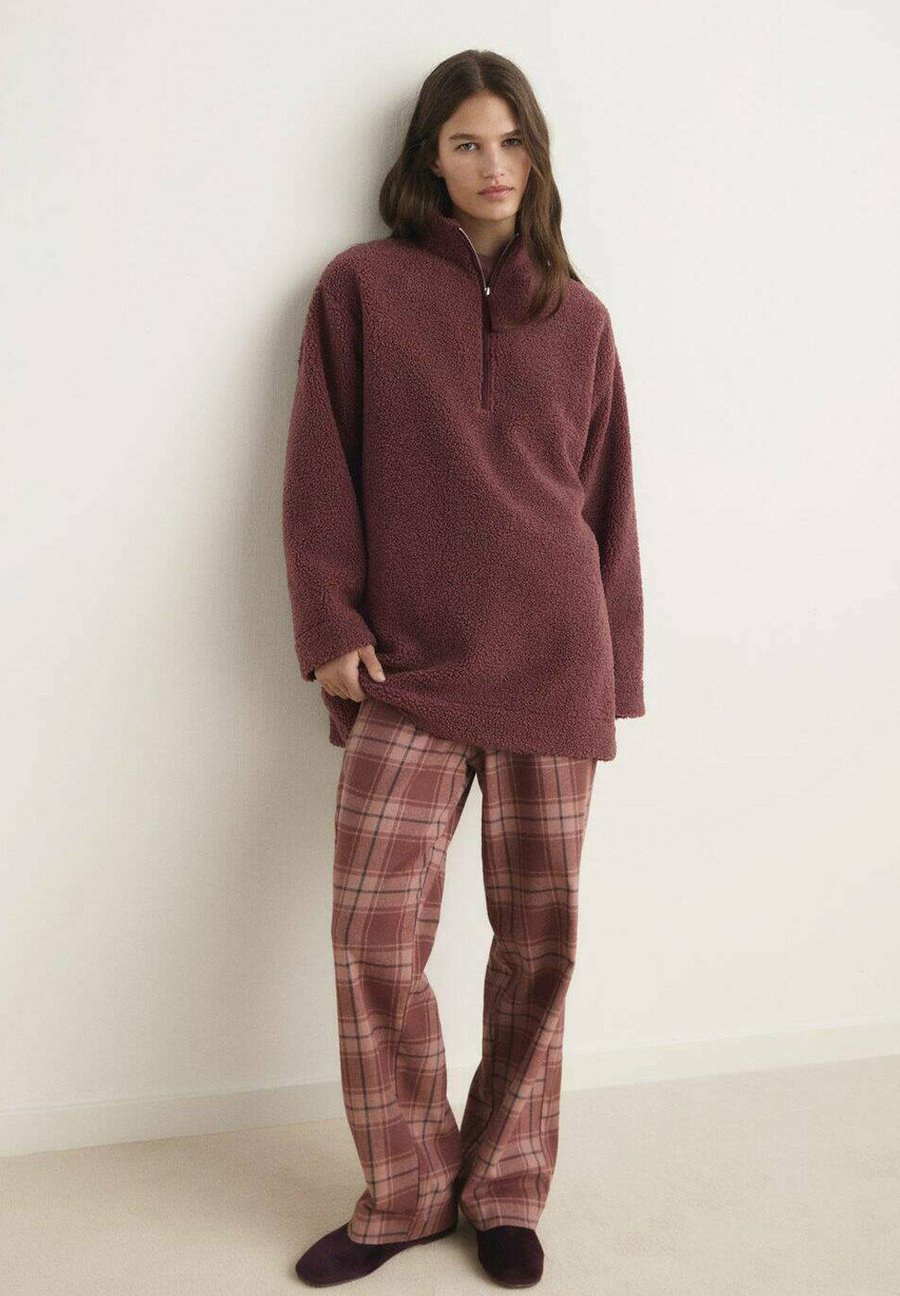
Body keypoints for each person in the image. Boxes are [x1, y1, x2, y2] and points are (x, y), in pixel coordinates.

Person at [284, 48, 645, 1289]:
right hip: (409, 669)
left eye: (510, 141)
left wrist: (615, 676)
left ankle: (504, 1189)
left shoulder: (580, 318)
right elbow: (319, 466)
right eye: (466, 144)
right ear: (428, 162)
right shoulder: (363, 289)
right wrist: (328, 623)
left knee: (539, 943)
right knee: (372, 933)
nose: (493, 166)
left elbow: (607, 508)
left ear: (536, 154)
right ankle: (403, 1193)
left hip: (555, 661)